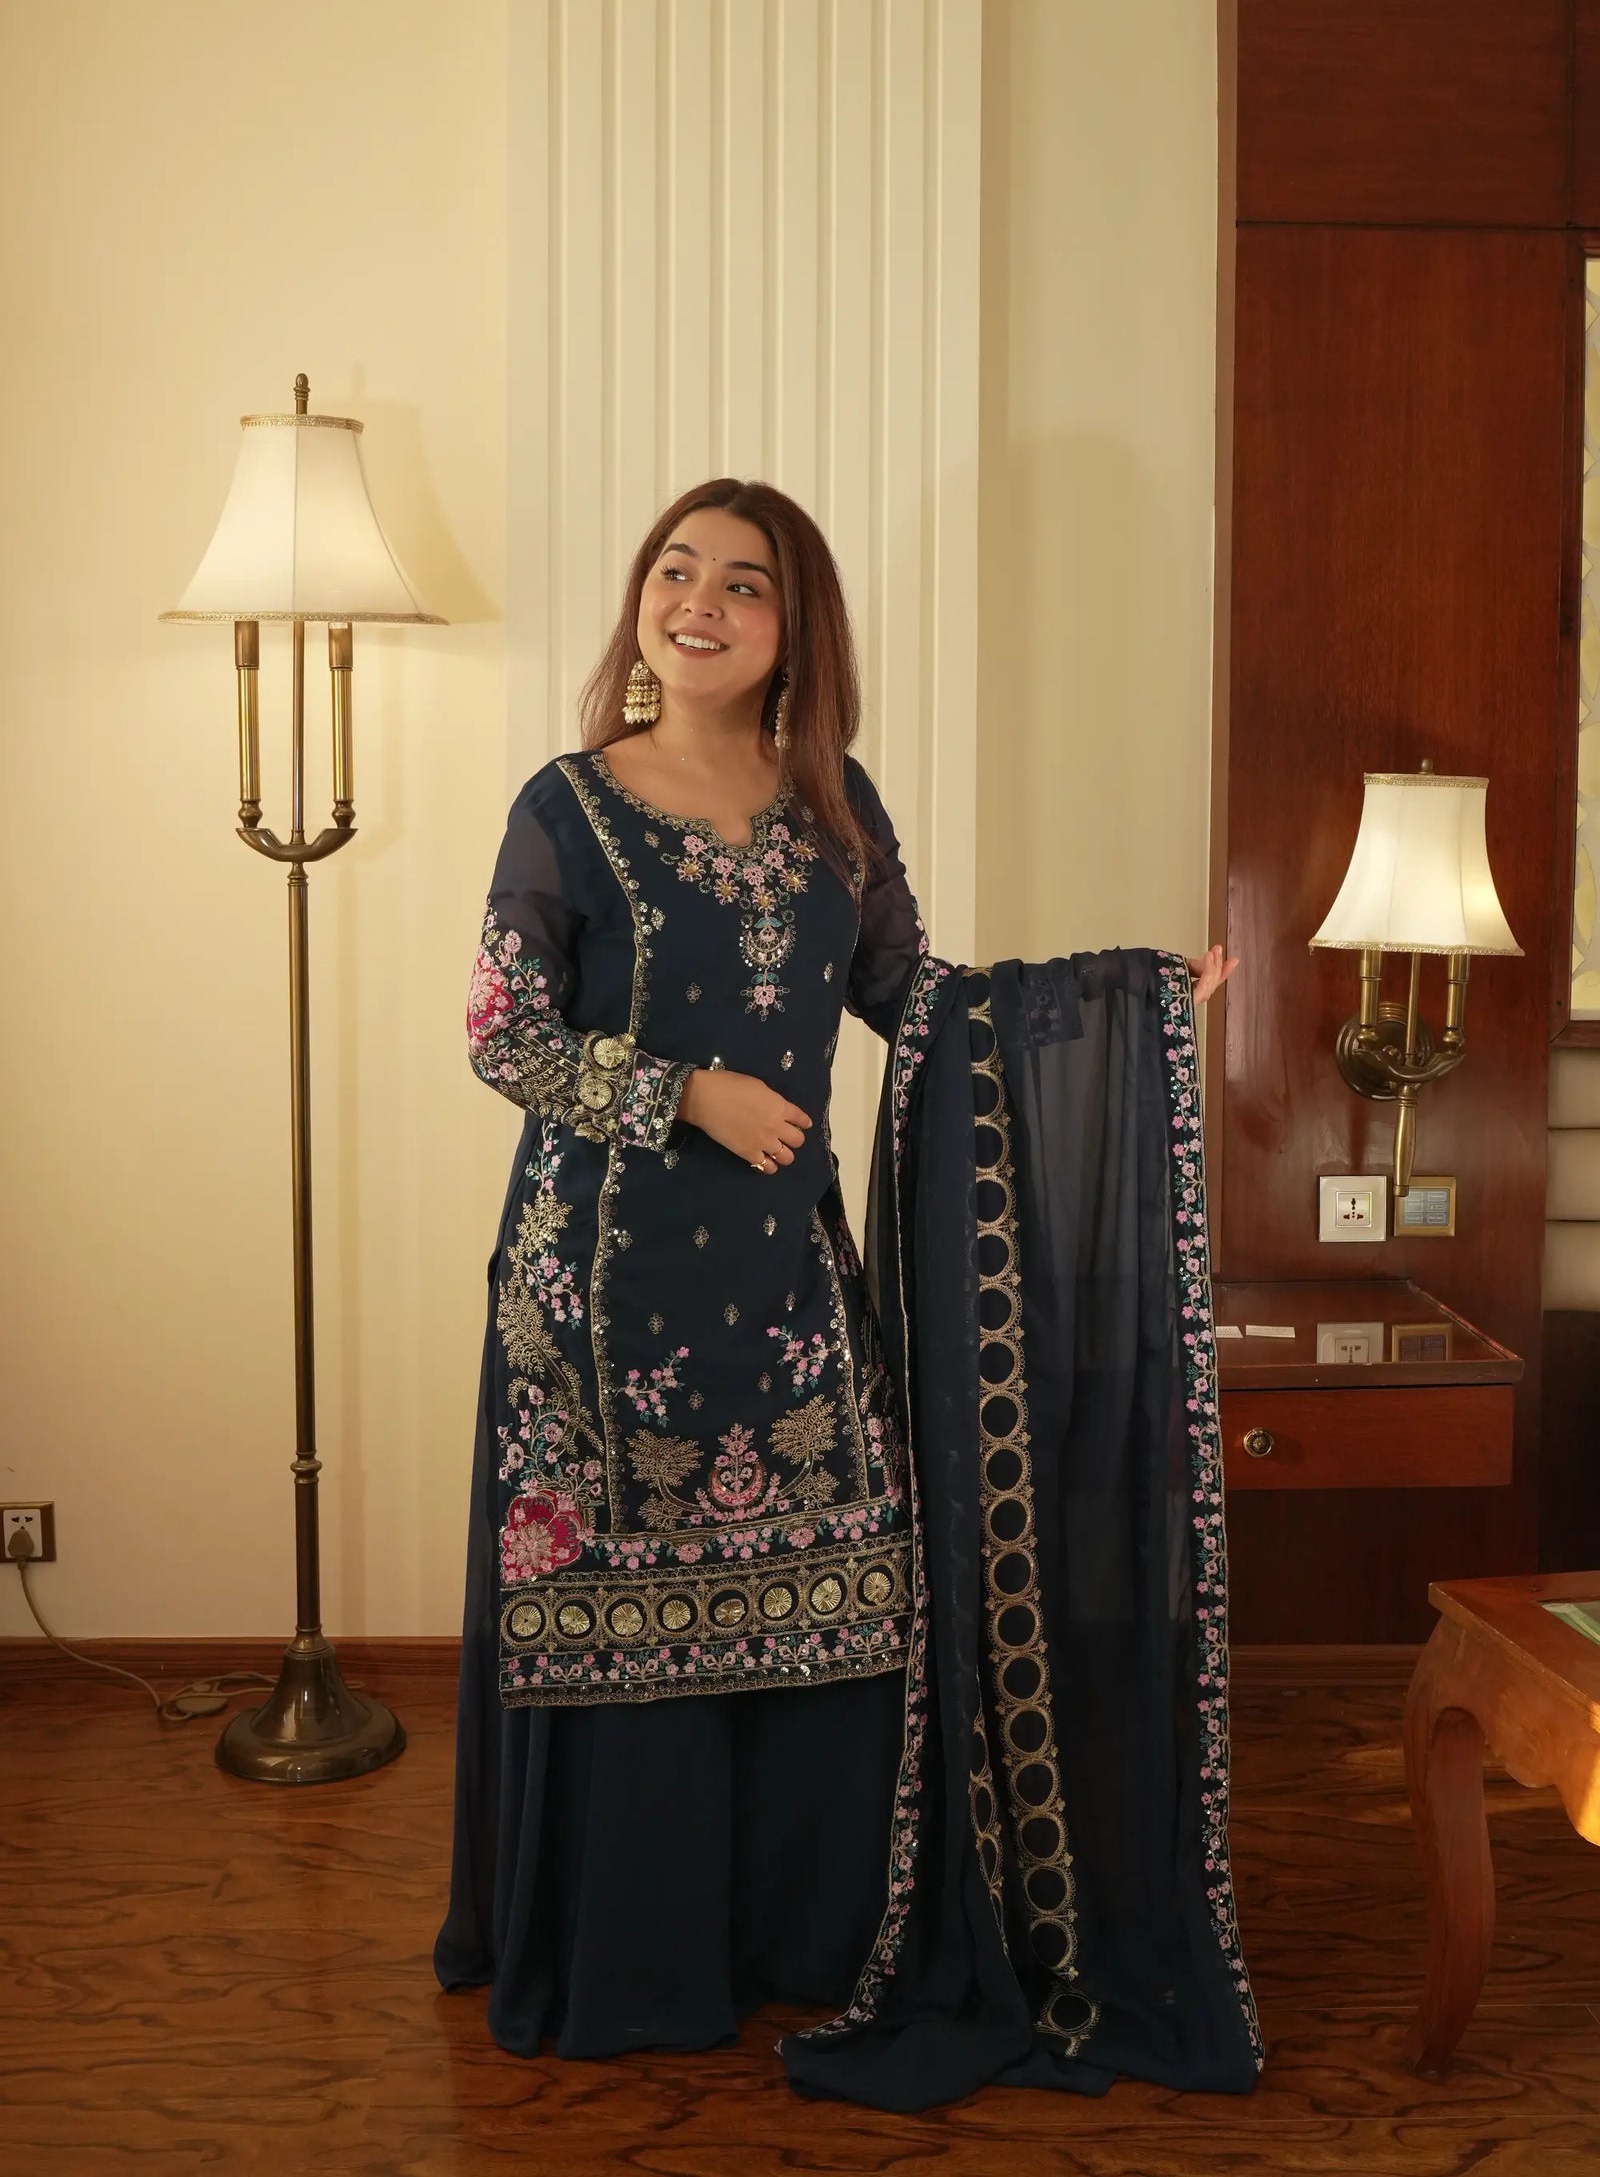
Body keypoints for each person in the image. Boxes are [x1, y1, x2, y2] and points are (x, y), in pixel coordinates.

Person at [433, 476, 1242, 2089]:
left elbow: (920, 1002)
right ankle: (633, 1962)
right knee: (629, 1638)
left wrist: (1132, 1001)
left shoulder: (832, 809)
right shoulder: (567, 804)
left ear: (797, 627)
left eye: (746, 584)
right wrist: (685, 1093)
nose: (703, 605)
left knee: (834, 1618)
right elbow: (500, 1032)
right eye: (679, 573)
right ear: (641, 602)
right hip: (598, 1303)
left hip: (788, 1294)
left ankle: (805, 1948)